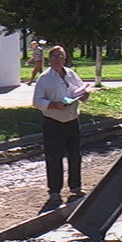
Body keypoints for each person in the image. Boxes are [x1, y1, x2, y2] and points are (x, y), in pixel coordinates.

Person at [33, 45, 90, 213]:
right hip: (53, 121)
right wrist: (52, 105)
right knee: (54, 158)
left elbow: (81, 90)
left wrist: (85, 95)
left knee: (75, 155)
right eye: (55, 56)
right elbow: (37, 101)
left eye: (62, 56)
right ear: (50, 59)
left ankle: (75, 187)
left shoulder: (71, 74)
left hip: (72, 119)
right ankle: (55, 192)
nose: (59, 59)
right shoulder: (44, 78)